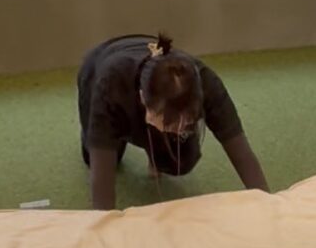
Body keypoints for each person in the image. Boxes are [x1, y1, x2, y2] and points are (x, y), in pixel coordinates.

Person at [77, 32, 268, 211]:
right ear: (143, 99)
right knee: (99, 158)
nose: (180, 129)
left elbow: (241, 152)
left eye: (187, 121)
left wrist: (268, 206)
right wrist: (105, 227)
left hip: (152, 89)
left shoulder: (208, 85)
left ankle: (154, 143)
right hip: (98, 67)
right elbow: (102, 189)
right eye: (171, 123)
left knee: (180, 161)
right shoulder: (109, 86)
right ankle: (129, 134)